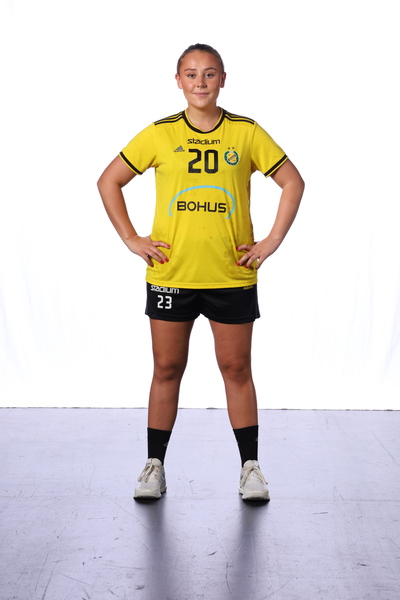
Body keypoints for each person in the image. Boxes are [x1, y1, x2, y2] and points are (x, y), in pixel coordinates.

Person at [97, 43, 304, 502]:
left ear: (223, 79)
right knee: (167, 368)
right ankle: (154, 467)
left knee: (236, 368)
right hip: (172, 275)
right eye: (191, 74)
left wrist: (271, 241)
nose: (200, 82)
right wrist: (131, 238)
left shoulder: (246, 132)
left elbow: (293, 180)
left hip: (231, 274)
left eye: (209, 74)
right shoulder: (159, 133)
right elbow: (108, 180)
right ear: (178, 81)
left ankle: (251, 468)